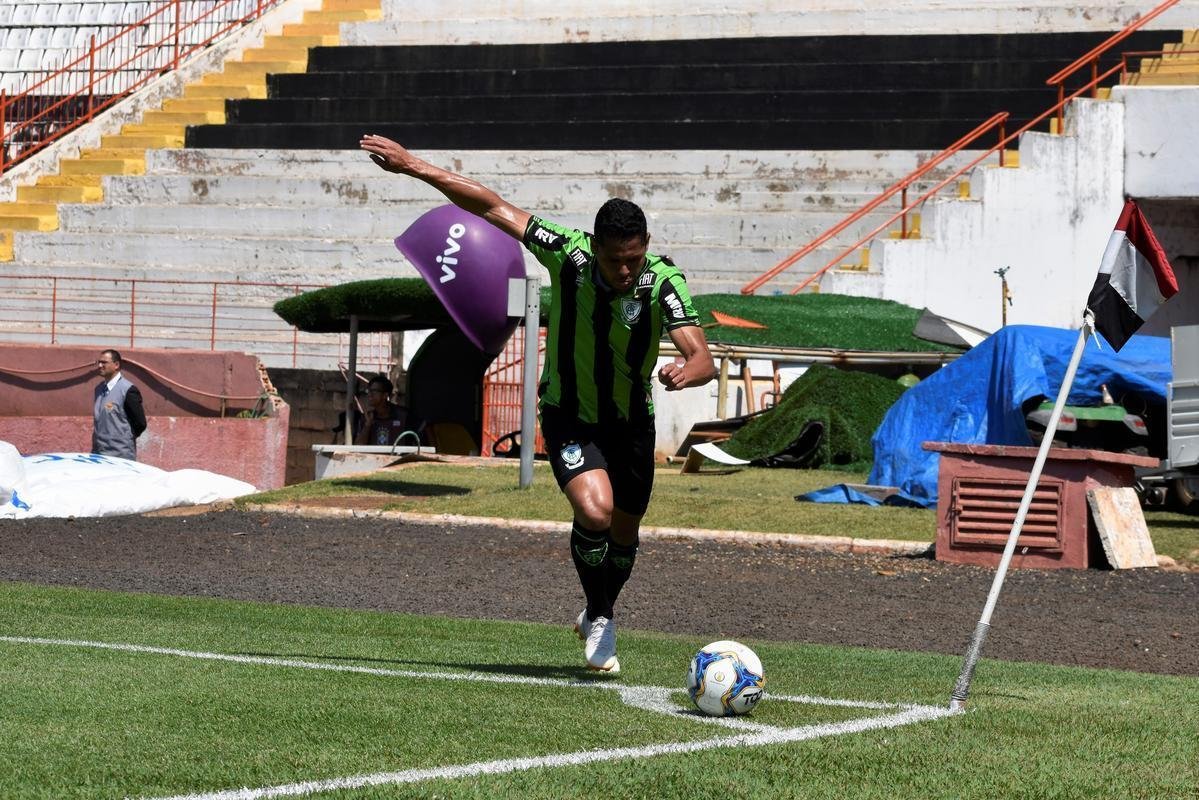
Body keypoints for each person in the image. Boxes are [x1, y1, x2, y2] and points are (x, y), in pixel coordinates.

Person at [361, 134, 717, 673]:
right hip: (569, 414)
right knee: (594, 511)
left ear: (646, 246)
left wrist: (684, 372)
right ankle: (601, 617)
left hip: (632, 424)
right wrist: (413, 166)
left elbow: (702, 356)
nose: (626, 271)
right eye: (617, 260)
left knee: (624, 534)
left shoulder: (661, 281)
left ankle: (598, 610)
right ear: (596, 246)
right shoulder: (567, 253)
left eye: (635, 258)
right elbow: (490, 204)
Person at [92, 349, 146, 460]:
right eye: (99, 362)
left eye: (104, 362)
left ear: (116, 365)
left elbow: (140, 423)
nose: (100, 365)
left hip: (120, 456)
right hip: (98, 454)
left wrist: (123, 438)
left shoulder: (128, 390)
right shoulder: (98, 389)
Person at [355, 374, 421, 446]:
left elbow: (415, 443)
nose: (369, 394)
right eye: (369, 391)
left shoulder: (404, 416)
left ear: (385, 395)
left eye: (374, 391)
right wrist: (367, 425)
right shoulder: (367, 417)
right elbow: (358, 446)